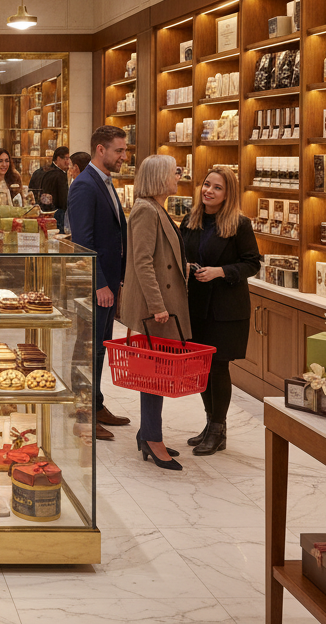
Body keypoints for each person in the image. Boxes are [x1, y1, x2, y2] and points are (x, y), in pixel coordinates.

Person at [180, 166, 262, 455]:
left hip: (226, 310)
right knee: (201, 368)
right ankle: (209, 424)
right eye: (206, 184)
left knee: (218, 367)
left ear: (228, 195)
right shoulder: (190, 220)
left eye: (217, 187)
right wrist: (187, 267)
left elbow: (252, 263)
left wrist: (220, 272)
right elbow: (180, 255)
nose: (208, 191)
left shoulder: (239, 224)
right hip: (196, 306)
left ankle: (218, 428)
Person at [118, 154, 191, 471]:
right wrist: (158, 305)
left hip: (162, 304)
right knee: (154, 374)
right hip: (155, 309)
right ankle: (152, 437)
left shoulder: (157, 208)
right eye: (174, 171)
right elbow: (143, 262)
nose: (179, 175)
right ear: (159, 177)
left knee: (156, 372)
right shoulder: (146, 211)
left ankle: (149, 433)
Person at [67, 125, 130, 441]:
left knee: (100, 348)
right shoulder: (84, 185)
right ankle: (83, 415)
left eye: (124, 150)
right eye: (119, 150)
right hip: (97, 285)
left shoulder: (105, 182)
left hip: (110, 283)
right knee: (87, 350)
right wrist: (100, 283)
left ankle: (96, 403)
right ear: (100, 150)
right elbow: (83, 241)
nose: (124, 156)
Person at [37, 147, 71, 227]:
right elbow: (63, 201)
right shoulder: (60, 175)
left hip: (42, 213)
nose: (68, 162)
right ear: (58, 159)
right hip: (57, 215)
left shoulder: (42, 171)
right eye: (66, 158)